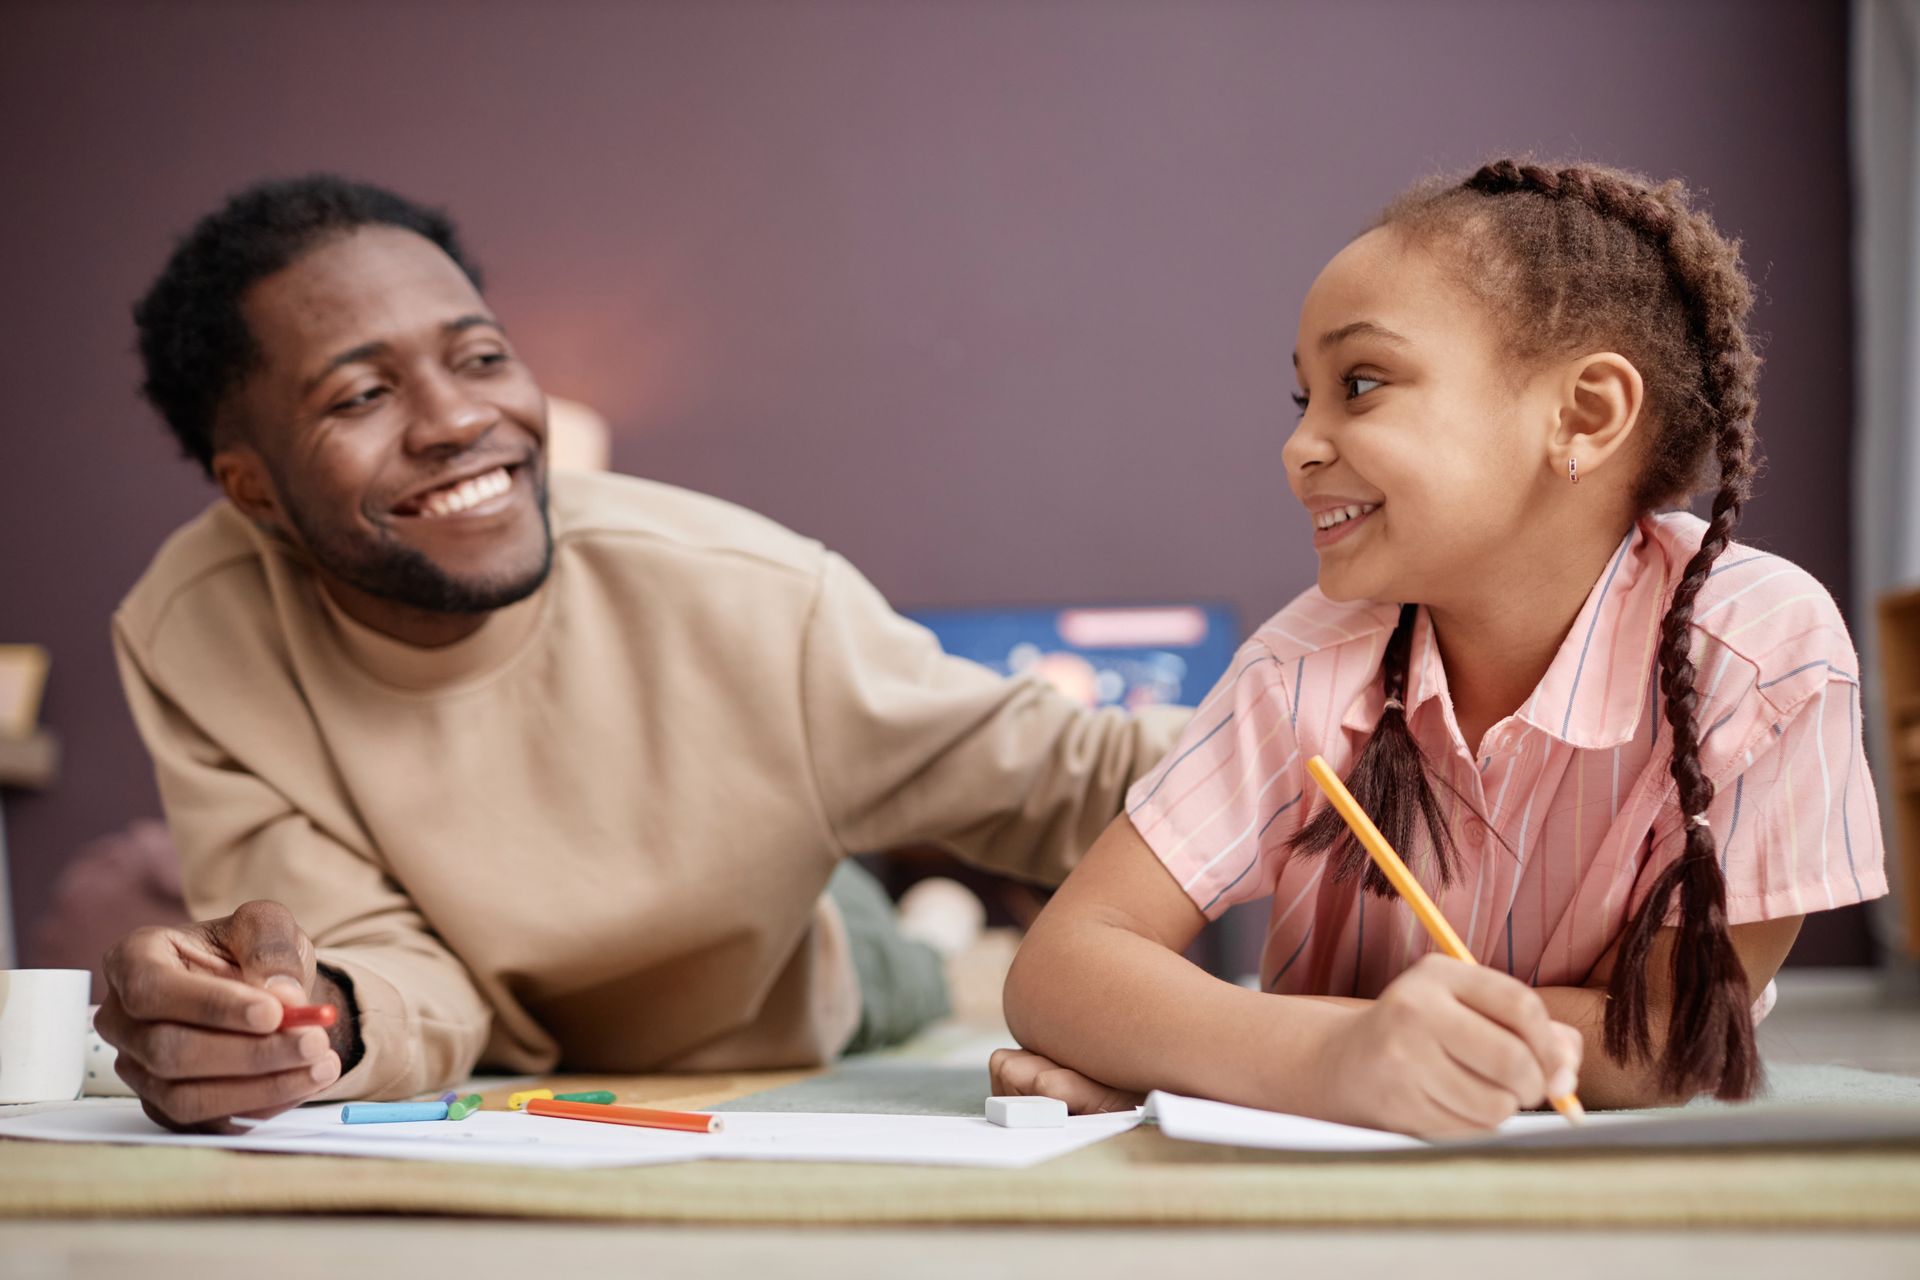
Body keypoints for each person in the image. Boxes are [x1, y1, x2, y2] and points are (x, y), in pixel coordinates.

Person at [97, 175, 1186, 1132]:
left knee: (916, 956)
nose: (456, 419)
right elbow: (382, 968)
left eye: (480, 356)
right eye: (362, 394)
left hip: (772, 960)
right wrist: (306, 1017)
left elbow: (1080, 773)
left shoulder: (748, 592)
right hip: (500, 998)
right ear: (252, 491)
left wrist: (1339, 735)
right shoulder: (196, 630)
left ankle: (927, 925)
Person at [992, 159, 1888, 1137]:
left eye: (1361, 383)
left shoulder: (1763, 653)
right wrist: (1325, 1061)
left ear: (1584, 414)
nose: (1300, 447)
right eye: (1305, 400)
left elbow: (1679, 1040)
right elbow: (1064, 961)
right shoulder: (1299, 666)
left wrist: (1238, 1052)